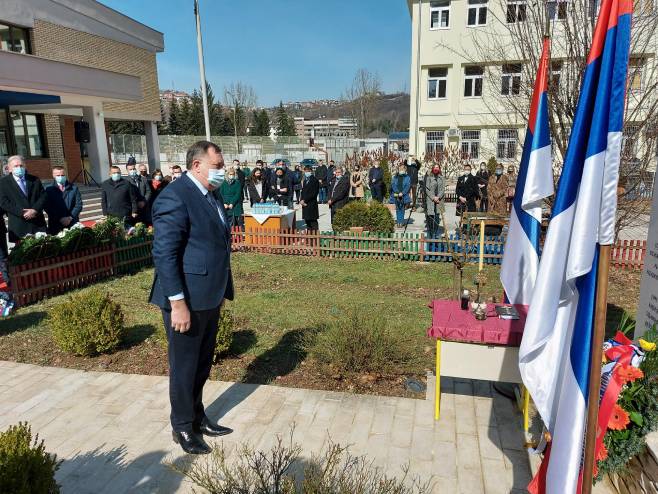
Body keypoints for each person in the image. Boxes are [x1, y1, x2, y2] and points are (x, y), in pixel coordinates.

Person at [149, 140, 234, 455]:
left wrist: (221, 290)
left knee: (201, 363)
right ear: (197, 165)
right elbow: (165, 253)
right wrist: (178, 304)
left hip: (208, 296)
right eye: (218, 165)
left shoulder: (211, 194)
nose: (223, 171)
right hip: (184, 301)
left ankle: (198, 415)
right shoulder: (175, 196)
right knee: (184, 366)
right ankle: (182, 426)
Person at [0, 155, 47, 242]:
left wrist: (34, 210)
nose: (19, 168)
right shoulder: (3, 183)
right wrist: (22, 212)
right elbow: (3, 202)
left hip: (37, 223)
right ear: (9, 169)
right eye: (16, 166)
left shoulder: (34, 179)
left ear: (25, 166)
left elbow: (43, 196)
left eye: (21, 166)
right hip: (19, 225)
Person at [44, 166, 83, 235]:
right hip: (55, 223)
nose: (60, 177)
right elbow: (47, 206)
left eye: (62, 175)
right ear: (53, 175)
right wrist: (60, 218)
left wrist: (70, 218)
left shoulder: (74, 188)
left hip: (72, 222)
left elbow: (78, 205)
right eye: (58, 175)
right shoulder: (48, 189)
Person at [423, 164, 445, 238]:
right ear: (432, 168)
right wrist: (433, 197)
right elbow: (427, 189)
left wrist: (438, 197)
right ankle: (431, 232)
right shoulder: (429, 178)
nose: (436, 168)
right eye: (435, 167)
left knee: (437, 217)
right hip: (431, 200)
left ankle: (435, 232)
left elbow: (443, 189)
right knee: (430, 216)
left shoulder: (442, 178)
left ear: (439, 168)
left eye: (437, 167)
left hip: (439, 200)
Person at [300, 164, 319, 231]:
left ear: (311, 171)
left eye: (308, 171)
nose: (306, 172)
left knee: (313, 222)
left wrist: (305, 200)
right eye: (305, 171)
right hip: (304, 204)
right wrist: (301, 200)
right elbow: (303, 191)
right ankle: (309, 238)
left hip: (311, 203)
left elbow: (314, 193)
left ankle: (315, 237)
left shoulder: (314, 180)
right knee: (307, 222)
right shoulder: (305, 180)